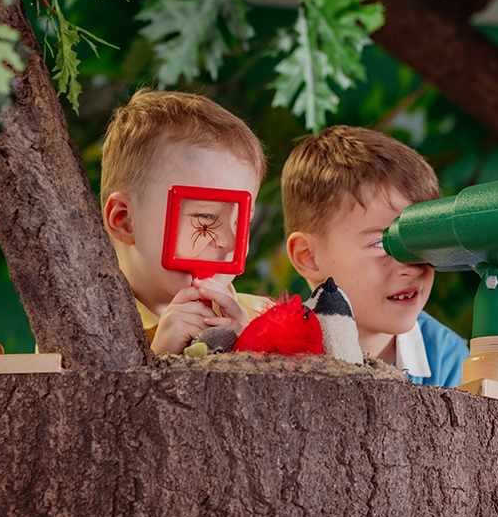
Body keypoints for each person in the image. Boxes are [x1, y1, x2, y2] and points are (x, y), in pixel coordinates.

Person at [281, 126, 469, 387]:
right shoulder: (278, 352)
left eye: (423, 240)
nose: (412, 266)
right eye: (382, 243)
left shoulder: (451, 361)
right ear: (308, 257)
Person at [101, 89, 271, 354]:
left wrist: (252, 355)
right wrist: (158, 363)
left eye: (242, 222)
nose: (230, 244)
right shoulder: (83, 330)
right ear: (124, 220)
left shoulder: (267, 320)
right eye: (206, 216)